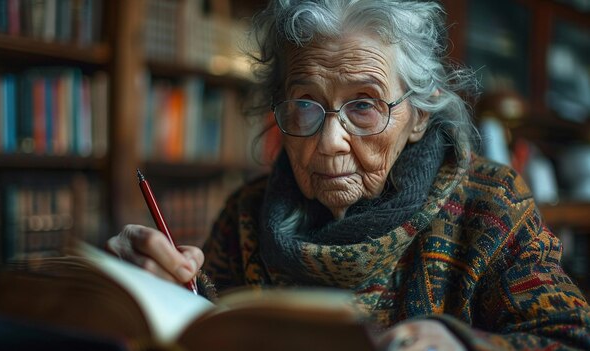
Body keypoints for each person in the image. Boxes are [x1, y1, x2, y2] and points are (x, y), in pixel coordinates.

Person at [107, 0, 590, 349]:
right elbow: (209, 324)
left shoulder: (490, 207)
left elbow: (570, 335)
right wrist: (160, 295)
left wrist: (463, 344)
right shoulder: (246, 214)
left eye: (364, 105)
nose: (330, 140)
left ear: (418, 114)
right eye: (306, 105)